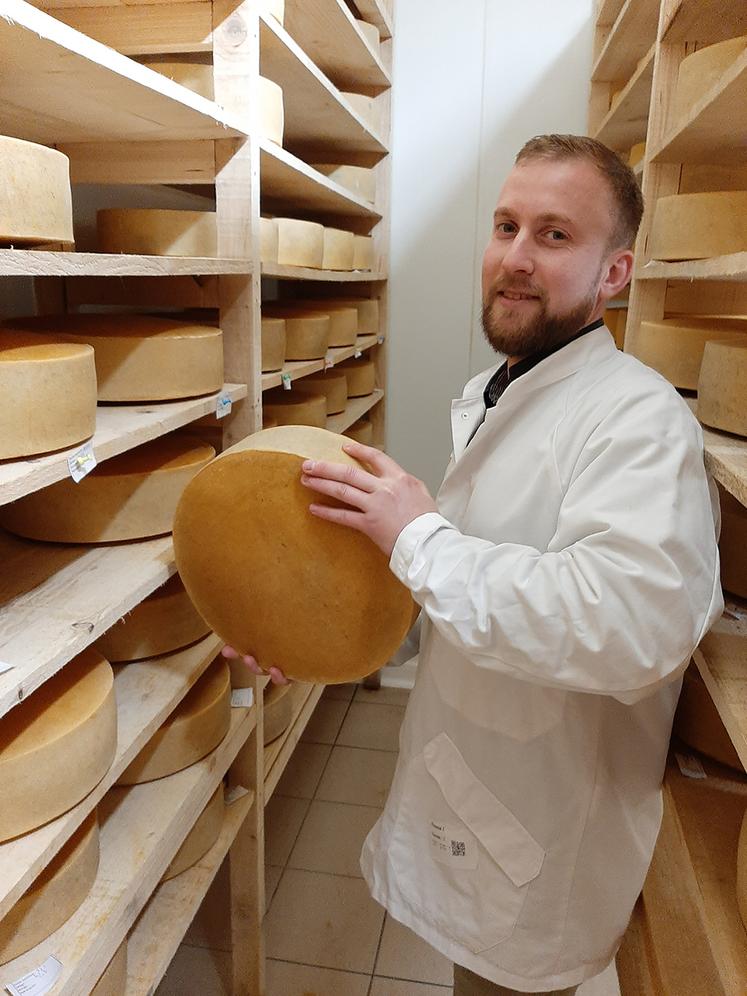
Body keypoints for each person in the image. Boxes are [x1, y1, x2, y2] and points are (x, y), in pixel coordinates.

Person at [225, 135, 723, 995]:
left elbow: (630, 626)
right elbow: (470, 587)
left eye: (554, 235)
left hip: (539, 828)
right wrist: (331, 636)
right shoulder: (501, 388)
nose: (514, 259)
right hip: (474, 788)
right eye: (504, 226)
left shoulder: (636, 422)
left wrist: (417, 537)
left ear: (615, 273)